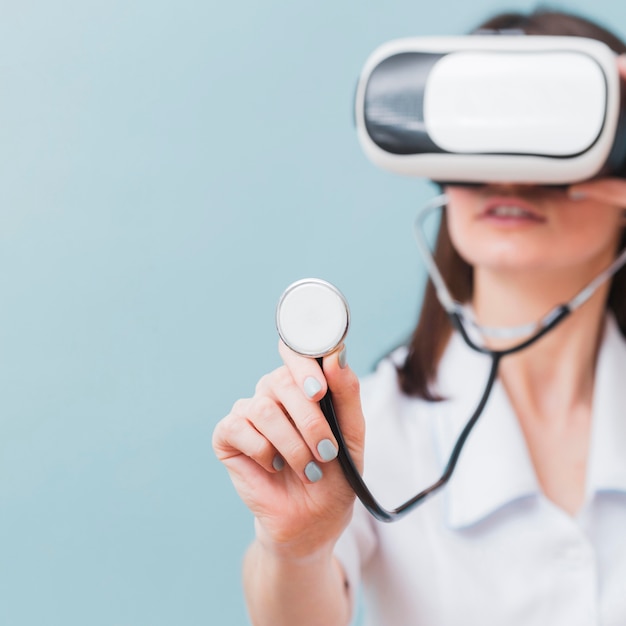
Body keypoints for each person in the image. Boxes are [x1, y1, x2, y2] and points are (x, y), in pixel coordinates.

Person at [212, 8, 626, 626]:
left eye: (548, 132)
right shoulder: (368, 426)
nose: (505, 174)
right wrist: (295, 548)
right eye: (482, 131)